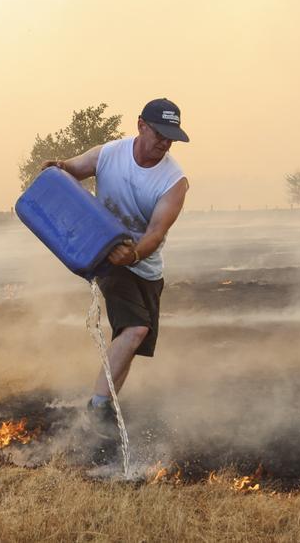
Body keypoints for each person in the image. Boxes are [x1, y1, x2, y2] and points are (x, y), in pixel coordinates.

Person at [44, 98, 190, 428]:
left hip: (146, 266)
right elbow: (72, 169)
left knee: (131, 339)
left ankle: (107, 406)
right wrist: (58, 167)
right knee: (135, 329)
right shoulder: (110, 154)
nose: (164, 143)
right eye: (159, 133)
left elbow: (155, 233)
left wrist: (136, 254)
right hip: (108, 256)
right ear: (140, 125)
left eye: (171, 137)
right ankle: (97, 408)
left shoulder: (174, 181)